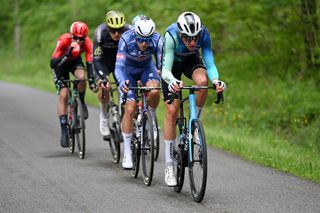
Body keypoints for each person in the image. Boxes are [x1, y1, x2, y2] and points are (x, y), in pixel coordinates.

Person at [161, 12, 226, 186]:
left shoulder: (204, 34)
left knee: (203, 82)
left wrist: (216, 80)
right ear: (180, 34)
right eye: (188, 38)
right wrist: (173, 82)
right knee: (172, 110)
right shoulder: (170, 36)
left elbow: (210, 63)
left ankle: (194, 125)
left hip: (191, 61)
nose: (192, 42)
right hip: (172, 67)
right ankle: (168, 166)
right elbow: (165, 70)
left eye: (195, 38)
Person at [115, 15, 163, 169]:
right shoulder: (125, 39)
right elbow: (118, 67)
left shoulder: (158, 40)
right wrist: (122, 82)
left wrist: (160, 73)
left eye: (147, 40)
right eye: (141, 39)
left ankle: (151, 119)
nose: (144, 44)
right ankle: (127, 152)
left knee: (155, 91)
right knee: (130, 108)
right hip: (127, 71)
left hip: (146, 69)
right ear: (135, 34)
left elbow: (161, 65)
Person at [50, 21, 96, 148]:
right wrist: (67, 54)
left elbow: (90, 63)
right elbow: (53, 63)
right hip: (60, 64)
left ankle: (81, 101)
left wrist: (91, 80)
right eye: (75, 37)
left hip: (75, 62)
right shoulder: (63, 40)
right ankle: (64, 129)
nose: (78, 40)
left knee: (82, 77)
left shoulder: (88, 43)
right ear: (71, 35)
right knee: (64, 94)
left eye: (81, 38)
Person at [92, 10, 131, 138]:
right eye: (113, 30)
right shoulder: (100, 33)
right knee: (105, 87)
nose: (116, 34)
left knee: (125, 88)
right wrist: (103, 77)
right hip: (102, 62)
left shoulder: (129, 31)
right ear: (107, 27)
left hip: (119, 63)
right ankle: (104, 115)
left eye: (119, 30)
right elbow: (96, 59)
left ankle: (122, 116)